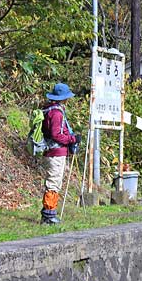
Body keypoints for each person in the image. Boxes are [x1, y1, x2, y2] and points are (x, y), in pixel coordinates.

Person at [40, 82, 81, 224]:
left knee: (54, 182)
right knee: (53, 183)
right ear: (63, 98)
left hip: (52, 151)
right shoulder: (56, 113)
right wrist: (72, 139)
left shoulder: (49, 110)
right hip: (56, 152)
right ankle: (49, 215)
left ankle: (50, 213)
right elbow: (56, 134)